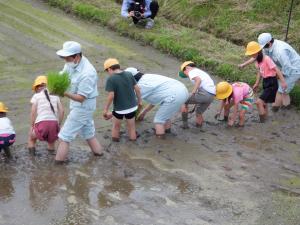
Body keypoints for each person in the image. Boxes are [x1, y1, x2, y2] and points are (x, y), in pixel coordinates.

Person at [55, 41, 104, 162]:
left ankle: (58, 166)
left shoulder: (88, 73)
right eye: (64, 58)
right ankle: (99, 155)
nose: (66, 61)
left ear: (77, 56)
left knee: (64, 137)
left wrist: (64, 93)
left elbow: (82, 98)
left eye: (68, 58)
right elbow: (64, 74)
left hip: (84, 106)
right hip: (79, 105)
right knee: (88, 134)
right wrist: (54, 82)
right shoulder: (71, 63)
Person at [239, 33, 300, 109]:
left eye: (264, 46)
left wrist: (280, 77)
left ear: (269, 43)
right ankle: (287, 106)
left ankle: (275, 109)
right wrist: (244, 64)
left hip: (294, 69)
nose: (263, 48)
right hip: (285, 66)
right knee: (284, 89)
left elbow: (287, 68)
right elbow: (257, 56)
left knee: (279, 88)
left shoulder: (280, 52)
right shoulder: (267, 46)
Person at [125, 67, 189, 138]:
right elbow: (154, 101)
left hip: (174, 95)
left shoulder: (140, 86)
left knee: (159, 120)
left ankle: (161, 141)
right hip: (183, 90)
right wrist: (143, 113)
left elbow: (133, 106)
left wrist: (133, 118)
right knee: (165, 116)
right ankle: (167, 132)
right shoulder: (147, 76)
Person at [245, 41, 287, 122]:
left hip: (272, 82)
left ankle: (263, 122)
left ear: (258, 52)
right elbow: (260, 72)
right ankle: (266, 119)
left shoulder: (266, 59)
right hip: (265, 82)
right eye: (251, 54)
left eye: (253, 54)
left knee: (258, 102)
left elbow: (277, 70)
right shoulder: (258, 60)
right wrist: (257, 83)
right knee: (264, 103)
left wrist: (283, 82)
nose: (252, 56)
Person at [103, 59, 142, 142]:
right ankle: (133, 143)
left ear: (109, 69)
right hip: (132, 107)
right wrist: (139, 101)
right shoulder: (129, 74)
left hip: (119, 109)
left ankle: (115, 143)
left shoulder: (111, 79)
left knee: (116, 127)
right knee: (132, 127)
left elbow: (111, 96)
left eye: (107, 71)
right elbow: (137, 89)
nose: (108, 73)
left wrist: (105, 109)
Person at [27, 76, 64, 155]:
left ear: (36, 88)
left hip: (42, 123)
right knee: (51, 142)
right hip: (54, 123)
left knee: (31, 138)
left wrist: (32, 126)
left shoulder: (36, 96)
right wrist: (59, 124)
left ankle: (32, 158)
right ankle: (50, 158)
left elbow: (33, 112)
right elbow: (62, 111)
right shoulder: (56, 96)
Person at [178, 61, 216, 128]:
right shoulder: (200, 72)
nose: (187, 75)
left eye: (185, 73)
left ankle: (185, 125)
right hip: (211, 96)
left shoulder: (191, 71)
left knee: (183, 100)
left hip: (204, 93)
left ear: (186, 68)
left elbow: (198, 80)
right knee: (198, 112)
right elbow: (202, 85)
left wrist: (193, 92)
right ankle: (199, 127)